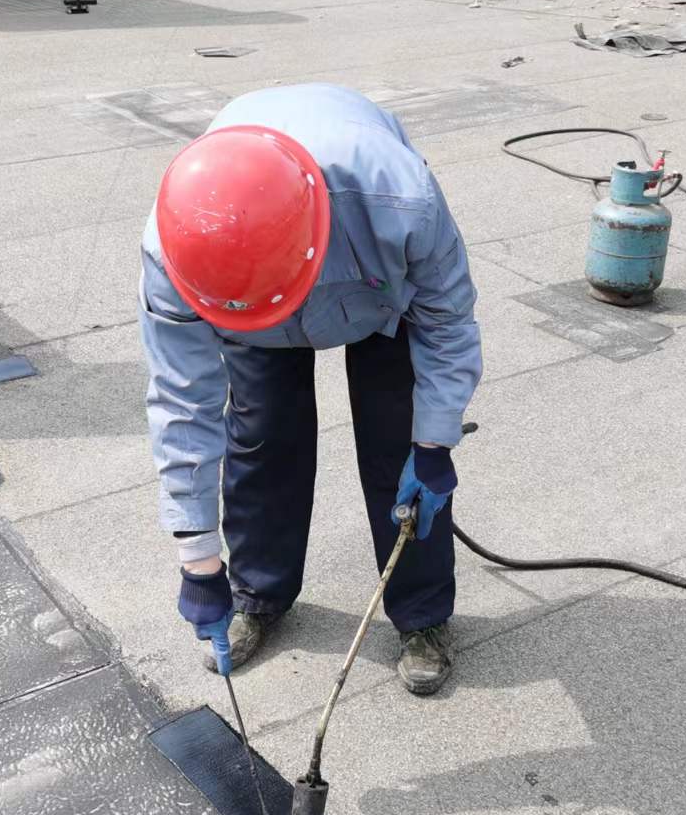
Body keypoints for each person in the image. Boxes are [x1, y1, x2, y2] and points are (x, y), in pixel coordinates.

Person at [139, 84, 482, 695]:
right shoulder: (180, 248)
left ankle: (423, 614)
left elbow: (447, 323)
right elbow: (182, 402)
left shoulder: (401, 200)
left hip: (377, 292)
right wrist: (197, 557)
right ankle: (257, 593)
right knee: (263, 435)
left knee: (397, 443)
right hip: (245, 294)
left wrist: (433, 443)